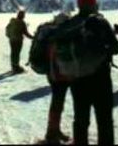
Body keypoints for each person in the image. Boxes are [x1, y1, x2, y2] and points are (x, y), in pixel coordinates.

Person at [56, 0, 118, 145]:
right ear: (93, 4)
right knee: (104, 119)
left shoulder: (70, 24)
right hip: (101, 79)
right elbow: (116, 48)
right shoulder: (100, 22)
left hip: (77, 80)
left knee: (80, 119)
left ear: (79, 5)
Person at [42, 12, 72, 144]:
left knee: (57, 105)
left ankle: (55, 131)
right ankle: (51, 134)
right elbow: (55, 58)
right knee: (57, 105)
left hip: (55, 76)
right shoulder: (58, 37)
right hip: (59, 77)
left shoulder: (52, 34)